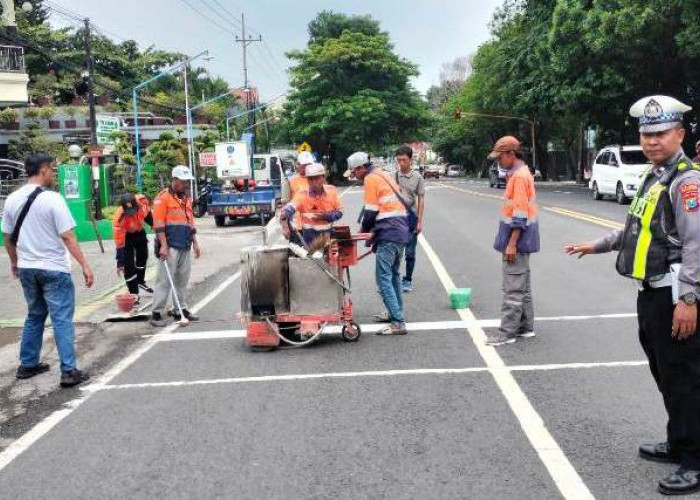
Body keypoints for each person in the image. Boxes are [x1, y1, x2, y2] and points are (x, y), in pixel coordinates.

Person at [565, 95, 700, 496]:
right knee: (666, 374)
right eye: (646, 134)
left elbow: (695, 245)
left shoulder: (686, 182)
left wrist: (689, 300)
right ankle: (679, 441)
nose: (652, 140)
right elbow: (637, 228)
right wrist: (599, 244)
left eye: (660, 133)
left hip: (675, 293)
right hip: (651, 295)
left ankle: (694, 460)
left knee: (685, 380)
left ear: (679, 133)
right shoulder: (653, 176)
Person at [1, 153, 93, 388]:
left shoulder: (11, 199)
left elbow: (7, 237)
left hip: (27, 268)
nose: (53, 173)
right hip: (53, 269)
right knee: (61, 318)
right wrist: (84, 265)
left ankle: (27, 364)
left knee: (35, 314)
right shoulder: (53, 199)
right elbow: (68, 236)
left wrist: (14, 261)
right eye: (51, 169)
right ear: (42, 170)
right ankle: (69, 370)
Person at [345, 151, 410, 335]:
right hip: (400, 231)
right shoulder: (383, 174)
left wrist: (364, 232)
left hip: (389, 232)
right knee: (394, 274)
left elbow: (371, 211)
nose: (354, 176)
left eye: (354, 172)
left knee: (383, 278)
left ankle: (398, 323)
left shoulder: (370, 179)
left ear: (360, 168)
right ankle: (396, 313)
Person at [486, 135, 540, 346]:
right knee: (522, 285)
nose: (498, 162)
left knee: (513, 288)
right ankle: (525, 327)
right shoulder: (522, 173)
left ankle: (506, 333)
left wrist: (511, 243)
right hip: (524, 240)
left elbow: (519, 215)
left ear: (510, 154)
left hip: (517, 240)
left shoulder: (518, 177)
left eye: (500, 157)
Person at [150, 165, 201, 327]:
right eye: (184, 181)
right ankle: (156, 314)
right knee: (164, 280)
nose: (187, 184)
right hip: (170, 246)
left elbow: (190, 222)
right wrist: (163, 246)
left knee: (181, 280)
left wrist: (195, 242)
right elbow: (158, 224)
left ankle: (180, 309)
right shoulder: (162, 198)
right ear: (175, 180)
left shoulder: (186, 199)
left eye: (187, 182)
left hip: (185, 244)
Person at [280, 163, 342, 247]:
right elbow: (288, 209)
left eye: (317, 178)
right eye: (310, 179)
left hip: (328, 237)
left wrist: (327, 217)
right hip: (309, 241)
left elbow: (340, 212)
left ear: (323, 177)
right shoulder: (302, 194)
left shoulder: (332, 191)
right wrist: (285, 225)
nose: (314, 182)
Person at [394, 144, 425, 292]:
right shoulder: (393, 177)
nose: (401, 163)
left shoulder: (418, 177)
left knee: (410, 253)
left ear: (410, 160)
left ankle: (408, 280)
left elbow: (421, 200)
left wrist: (419, 222)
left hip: (411, 219)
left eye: (404, 160)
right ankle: (395, 278)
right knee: (395, 252)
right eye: (399, 160)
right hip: (396, 220)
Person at [113, 192, 154, 304]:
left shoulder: (142, 203)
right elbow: (119, 241)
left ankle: (140, 281)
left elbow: (148, 216)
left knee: (143, 257)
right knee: (128, 266)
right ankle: (134, 294)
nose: (130, 214)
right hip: (127, 237)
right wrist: (120, 261)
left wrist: (154, 226)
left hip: (140, 232)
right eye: (128, 212)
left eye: (133, 210)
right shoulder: (119, 217)